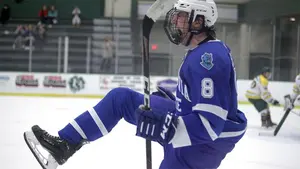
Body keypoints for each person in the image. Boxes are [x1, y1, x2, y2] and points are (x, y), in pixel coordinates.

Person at [23, 0, 247, 169]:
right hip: (189, 125)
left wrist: (166, 126)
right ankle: (65, 145)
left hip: (202, 146)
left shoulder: (208, 57)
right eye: (177, 16)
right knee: (121, 99)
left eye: (182, 17)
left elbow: (210, 125)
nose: (176, 21)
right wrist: (176, 101)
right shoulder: (202, 52)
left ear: (199, 21)